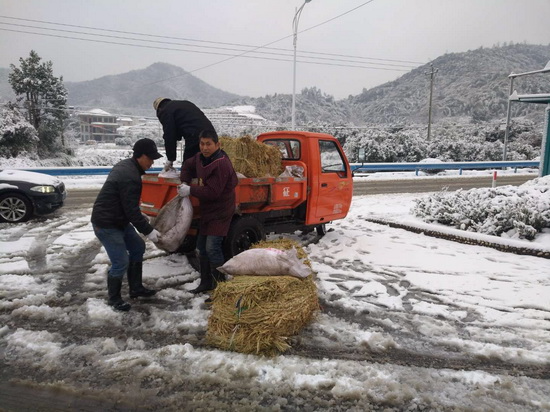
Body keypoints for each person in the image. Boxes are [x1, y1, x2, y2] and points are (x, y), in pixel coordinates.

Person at [91, 138, 162, 311]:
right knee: (120, 261)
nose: (152, 163)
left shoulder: (128, 167)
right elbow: (130, 209)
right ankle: (114, 299)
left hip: (118, 220)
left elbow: (126, 204)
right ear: (141, 156)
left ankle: (136, 288)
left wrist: (138, 214)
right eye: (151, 159)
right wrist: (149, 231)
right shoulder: (130, 176)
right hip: (106, 224)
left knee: (137, 246)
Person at [179, 130, 238, 294]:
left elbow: (213, 192)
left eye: (208, 144)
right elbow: (188, 165)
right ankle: (205, 282)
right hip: (207, 209)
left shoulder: (222, 164)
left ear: (217, 145)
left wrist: (190, 189)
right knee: (201, 248)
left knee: (212, 247)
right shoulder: (199, 158)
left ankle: (220, 287)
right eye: (202, 144)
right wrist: (184, 180)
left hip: (221, 210)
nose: (204, 148)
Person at [153, 97, 218, 173]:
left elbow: (169, 136)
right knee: (207, 163)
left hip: (195, 135)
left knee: (188, 167)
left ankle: (187, 183)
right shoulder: (182, 105)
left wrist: (170, 159)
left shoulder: (165, 111)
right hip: (211, 134)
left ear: (159, 109)